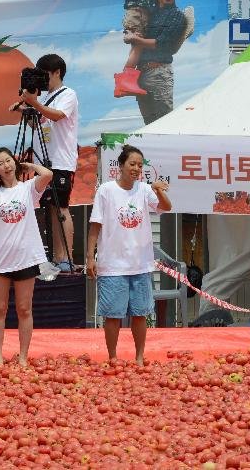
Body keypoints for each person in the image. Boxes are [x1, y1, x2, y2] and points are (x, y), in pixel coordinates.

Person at [86, 144, 171, 367]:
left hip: (140, 264)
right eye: (132, 164)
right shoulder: (106, 190)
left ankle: (139, 357)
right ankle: (113, 357)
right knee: (113, 315)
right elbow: (95, 224)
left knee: (140, 314)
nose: (136, 168)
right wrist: (89, 256)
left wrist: (158, 190)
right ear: (121, 166)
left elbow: (166, 207)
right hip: (113, 264)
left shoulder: (144, 190)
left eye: (139, 166)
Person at [0, 147, 52, 367]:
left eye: (8, 161)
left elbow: (47, 175)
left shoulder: (28, 188)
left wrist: (30, 167)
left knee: (24, 308)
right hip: (0, 260)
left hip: (26, 257)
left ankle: (23, 356)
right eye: (0, 163)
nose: (6, 166)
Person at [13, 53, 79, 272]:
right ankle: (56, 256)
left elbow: (58, 116)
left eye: (45, 76)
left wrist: (34, 103)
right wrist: (26, 110)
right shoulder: (46, 99)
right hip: (43, 162)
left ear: (57, 72)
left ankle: (66, 258)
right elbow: (40, 125)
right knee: (51, 208)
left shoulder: (68, 94)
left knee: (62, 208)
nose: (43, 81)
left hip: (61, 160)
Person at [80, 0, 159, 97]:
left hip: (146, 19)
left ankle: (122, 86)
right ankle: (124, 83)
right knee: (137, 47)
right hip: (135, 16)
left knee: (136, 49)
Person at [124, 0, 190, 125]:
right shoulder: (149, 11)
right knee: (149, 122)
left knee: (164, 121)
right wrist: (129, 34)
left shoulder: (176, 15)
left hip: (159, 73)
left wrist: (137, 39)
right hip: (140, 73)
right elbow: (133, 26)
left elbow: (163, 43)